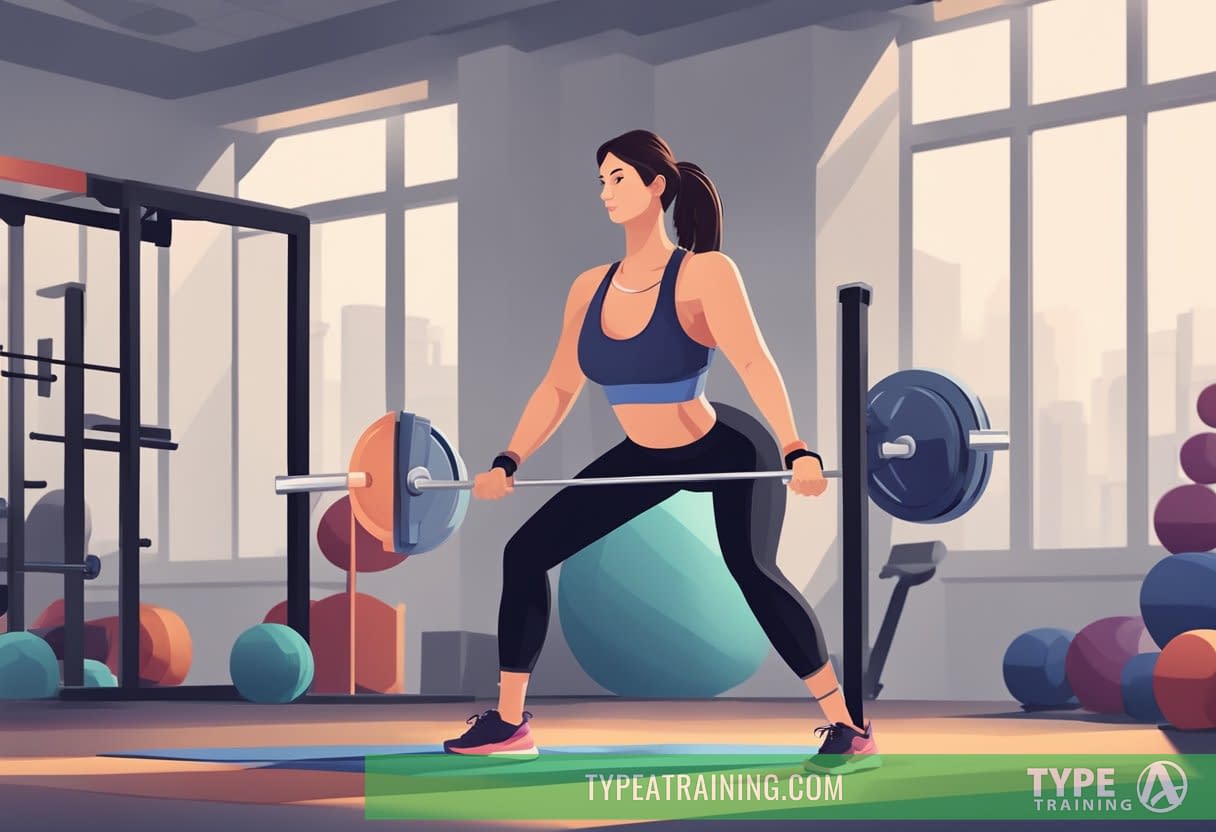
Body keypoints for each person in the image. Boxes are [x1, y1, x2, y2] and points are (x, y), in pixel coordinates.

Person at [442, 130, 878, 773]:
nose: (606, 192)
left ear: (657, 187)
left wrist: (796, 448)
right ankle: (510, 723)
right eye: (601, 180)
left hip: (721, 446)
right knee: (524, 552)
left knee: (752, 570)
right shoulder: (589, 287)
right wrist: (508, 461)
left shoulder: (704, 272)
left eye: (619, 178)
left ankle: (846, 723)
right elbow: (560, 385)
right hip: (643, 455)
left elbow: (754, 360)